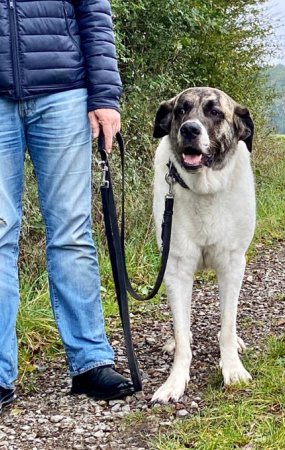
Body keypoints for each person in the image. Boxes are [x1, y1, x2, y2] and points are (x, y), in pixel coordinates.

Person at [0, 0, 134, 411]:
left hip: (63, 91)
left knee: (73, 232)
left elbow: (93, 11)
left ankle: (90, 361)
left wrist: (105, 95)